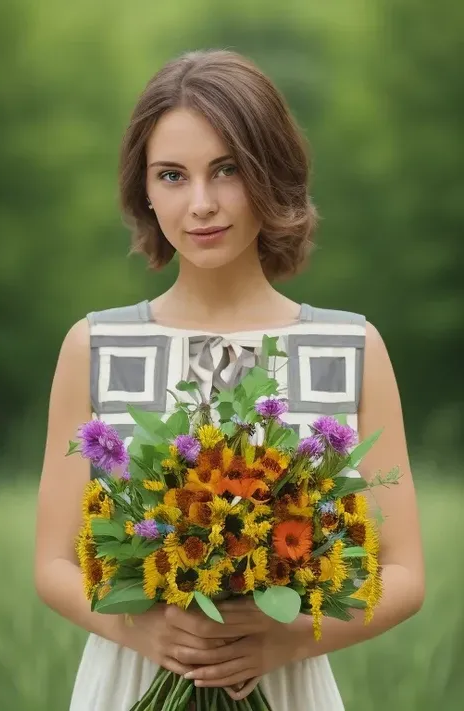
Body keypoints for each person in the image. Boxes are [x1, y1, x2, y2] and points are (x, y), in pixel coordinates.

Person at [34, 49, 425, 710]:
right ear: (145, 189)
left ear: (272, 172)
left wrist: (286, 640)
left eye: (228, 169)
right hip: (129, 682)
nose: (202, 204)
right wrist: (150, 631)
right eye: (172, 175)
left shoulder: (350, 347)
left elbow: (405, 573)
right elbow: (54, 563)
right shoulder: (94, 346)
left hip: (290, 683)